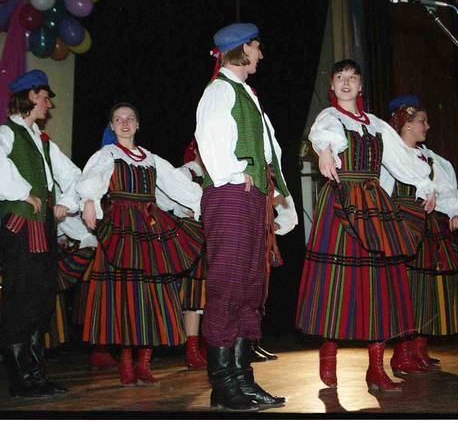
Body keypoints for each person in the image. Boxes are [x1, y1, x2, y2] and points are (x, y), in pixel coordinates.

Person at [295, 60, 436, 393]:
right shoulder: (330, 117)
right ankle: (329, 351)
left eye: (352, 78)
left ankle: (376, 368)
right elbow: (323, 138)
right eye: (340, 77)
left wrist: (425, 185)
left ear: (360, 86)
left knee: (379, 284)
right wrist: (325, 152)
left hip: (373, 202)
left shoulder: (376, 125)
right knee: (337, 281)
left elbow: (400, 159)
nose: (346, 82)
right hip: (341, 200)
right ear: (332, 86)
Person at [195, 22, 297, 411]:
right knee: (228, 287)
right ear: (242, 48)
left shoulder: (245, 93)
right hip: (231, 195)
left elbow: (271, 151)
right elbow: (211, 140)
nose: (261, 53)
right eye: (257, 46)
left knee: (251, 288)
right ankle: (223, 385)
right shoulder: (220, 90)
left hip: (251, 196)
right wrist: (237, 175)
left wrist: (277, 194)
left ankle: (242, 379)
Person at [78, 102, 204, 386]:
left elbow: (178, 186)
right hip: (121, 229)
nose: (124, 123)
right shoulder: (107, 154)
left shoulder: (151, 159)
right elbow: (93, 179)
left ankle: (144, 363)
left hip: (149, 227)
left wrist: (200, 206)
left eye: (130, 119)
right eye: (118, 119)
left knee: (152, 296)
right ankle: (125, 362)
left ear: (137, 124)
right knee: (125, 296)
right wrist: (89, 201)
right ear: (112, 126)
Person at [0, 70, 81, 398]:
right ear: (32, 96)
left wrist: (66, 202)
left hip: (44, 228)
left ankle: (36, 376)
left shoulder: (42, 140)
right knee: (21, 299)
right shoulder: (6, 132)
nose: (49, 105)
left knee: (41, 299)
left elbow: (72, 175)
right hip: (22, 229)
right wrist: (22, 192)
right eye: (45, 98)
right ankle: (21, 380)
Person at [385, 94, 458, 371]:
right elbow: (382, 191)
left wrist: (455, 212)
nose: (427, 126)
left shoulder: (430, 158)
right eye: (422, 121)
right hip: (403, 226)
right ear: (406, 124)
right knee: (406, 290)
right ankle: (402, 353)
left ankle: (419, 349)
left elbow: (446, 190)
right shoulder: (391, 157)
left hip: (428, 227)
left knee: (427, 289)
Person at [0, 184, 97, 352]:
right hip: (12, 244)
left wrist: (82, 236)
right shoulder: (4, 174)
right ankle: (15, 356)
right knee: (11, 297)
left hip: (42, 246)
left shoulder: (50, 179)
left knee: (40, 297)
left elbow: (61, 204)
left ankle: (35, 355)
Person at [156, 139, 208, 371]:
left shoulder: (215, 175)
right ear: (195, 150)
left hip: (210, 240)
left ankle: (205, 347)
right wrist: (180, 210)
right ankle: (192, 350)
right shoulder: (185, 173)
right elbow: (161, 200)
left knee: (206, 296)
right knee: (193, 297)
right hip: (190, 240)